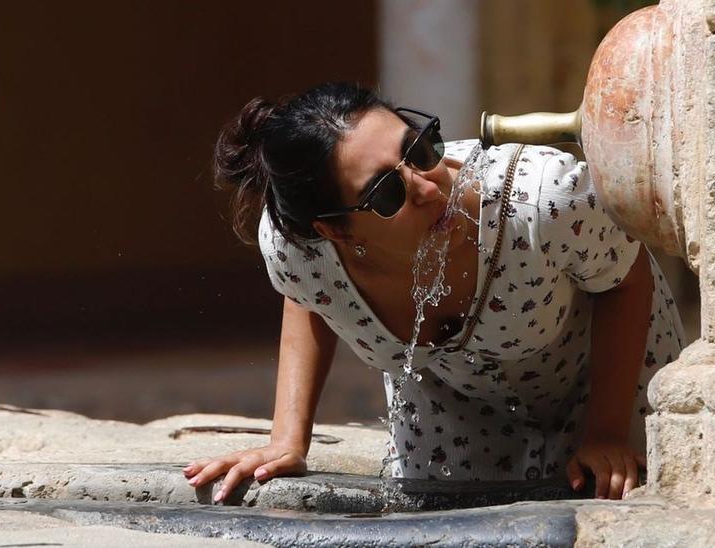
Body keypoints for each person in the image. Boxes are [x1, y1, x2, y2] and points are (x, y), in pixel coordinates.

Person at [183, 82, 685, 503]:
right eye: (387, 193)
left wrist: (607, 434)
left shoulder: (544, 200)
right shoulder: (300, 246)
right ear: (336, 232)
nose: (428, 186)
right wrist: (288, 439)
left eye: (417, 148)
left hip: (605, 381)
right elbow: (307, 295)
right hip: (452, 406)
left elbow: (626, 276)